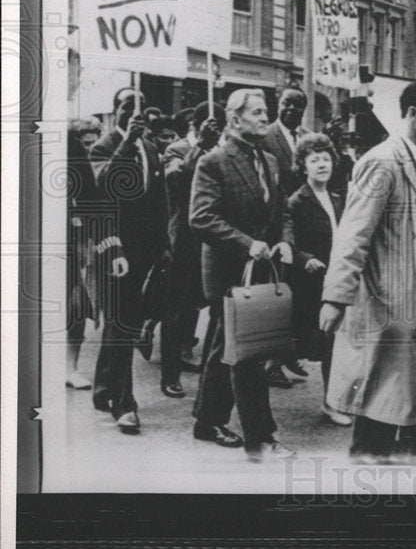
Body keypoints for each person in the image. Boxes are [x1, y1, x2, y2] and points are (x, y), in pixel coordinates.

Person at [319, 79, 416, 464]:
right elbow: (353, 235)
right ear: (411, 114)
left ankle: (414, 468)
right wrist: (336, 297)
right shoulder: (382, 161)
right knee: (383, 400)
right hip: (393, 301)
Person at [189, 88, 296, 462]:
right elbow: (201, 217)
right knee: (248, 355)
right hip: (228, 271)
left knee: (226, 347)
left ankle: (206, 420)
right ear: (234, 120)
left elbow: (282, 211)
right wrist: (247, 243)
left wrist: (285, 242)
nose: (265, 117)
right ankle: (262, 436)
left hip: (261, 268)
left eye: (266, 111)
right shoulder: (214, 161)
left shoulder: (269, 159)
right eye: (257, 112)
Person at [88, 89, 168, 433]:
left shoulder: (150, 148)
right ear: (116, 110)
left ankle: (104, 386)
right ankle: (124, 404)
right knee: (123, 324)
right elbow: (105, 184)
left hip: (146, 251)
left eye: (138, 106)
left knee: (125, 323)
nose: (133, 112)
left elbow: (159, 200)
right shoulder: (103, 147)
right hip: (114, 250)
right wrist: (127, 141)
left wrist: (164, 244)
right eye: (125, 106)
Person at [157, 101, 224, 398]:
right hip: (184, 241)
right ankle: (170, 374)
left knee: (212, 310)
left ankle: (210, 377)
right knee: (178, 311)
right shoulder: (177, 149)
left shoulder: (221, 152)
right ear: (195, 125)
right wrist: (200, 147)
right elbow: (177, 180)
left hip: (214, 242)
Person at [286, 133, 350, 426]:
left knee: (331, 345)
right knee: (294, 343)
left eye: (326, 158)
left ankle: (331, 402)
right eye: (315, 160)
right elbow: (288, 238)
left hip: (332, 280)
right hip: (309, 284)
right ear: (303, 166)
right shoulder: (297, 200)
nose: (322, 164)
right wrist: (305, 258)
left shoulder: (337, 198)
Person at [66, 119, 128, 390]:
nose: (89, 149)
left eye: (93, 143)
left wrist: (112, 247)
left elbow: (94, 202)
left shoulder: (80, 157)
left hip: (81, 245)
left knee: (77, 307)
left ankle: (70, 368)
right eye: (85, 143)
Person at [261, 87, 312, 386]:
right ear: (277, 106)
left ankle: (287, 354)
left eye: (297, 105)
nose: (291, 110)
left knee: (297, 296)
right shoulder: (266, 136)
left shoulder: (306, 137)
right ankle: (271, 364)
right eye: (285, 104)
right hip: (276, 225)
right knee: (277, 293)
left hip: (301, 225)